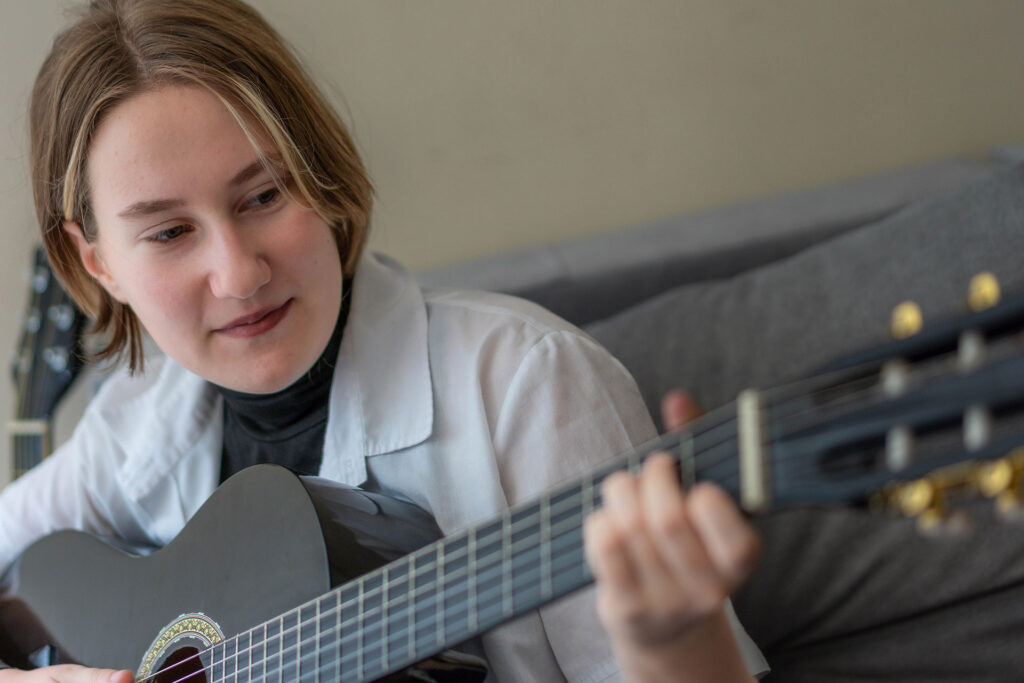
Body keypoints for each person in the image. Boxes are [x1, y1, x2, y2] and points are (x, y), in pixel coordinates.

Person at [0, 1, 766, 681]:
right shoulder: (133, 424)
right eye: (168, 232)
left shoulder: (525, 382)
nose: (237, 273)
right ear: (99, 264)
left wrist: (676, 642)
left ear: (320, 172)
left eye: (264, 194)